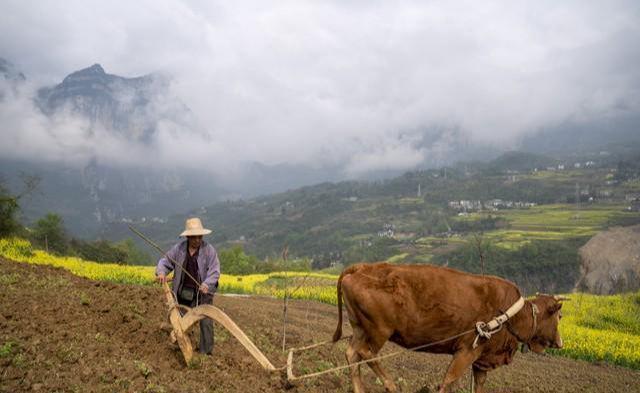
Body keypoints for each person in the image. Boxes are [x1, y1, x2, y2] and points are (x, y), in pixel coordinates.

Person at [155, 217, 221, 355]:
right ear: (188, 237)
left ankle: (206, 352)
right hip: (183, 291)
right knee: (180, 319)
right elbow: (165, 262)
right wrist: (161, 272)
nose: (197, 240)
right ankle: (181, 345)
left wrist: (206, 284)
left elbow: (214, 272)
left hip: (202, 293)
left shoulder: (209, 251)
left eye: (199, 237)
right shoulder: (179, 249)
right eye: (194, 237)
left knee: (206, 320)